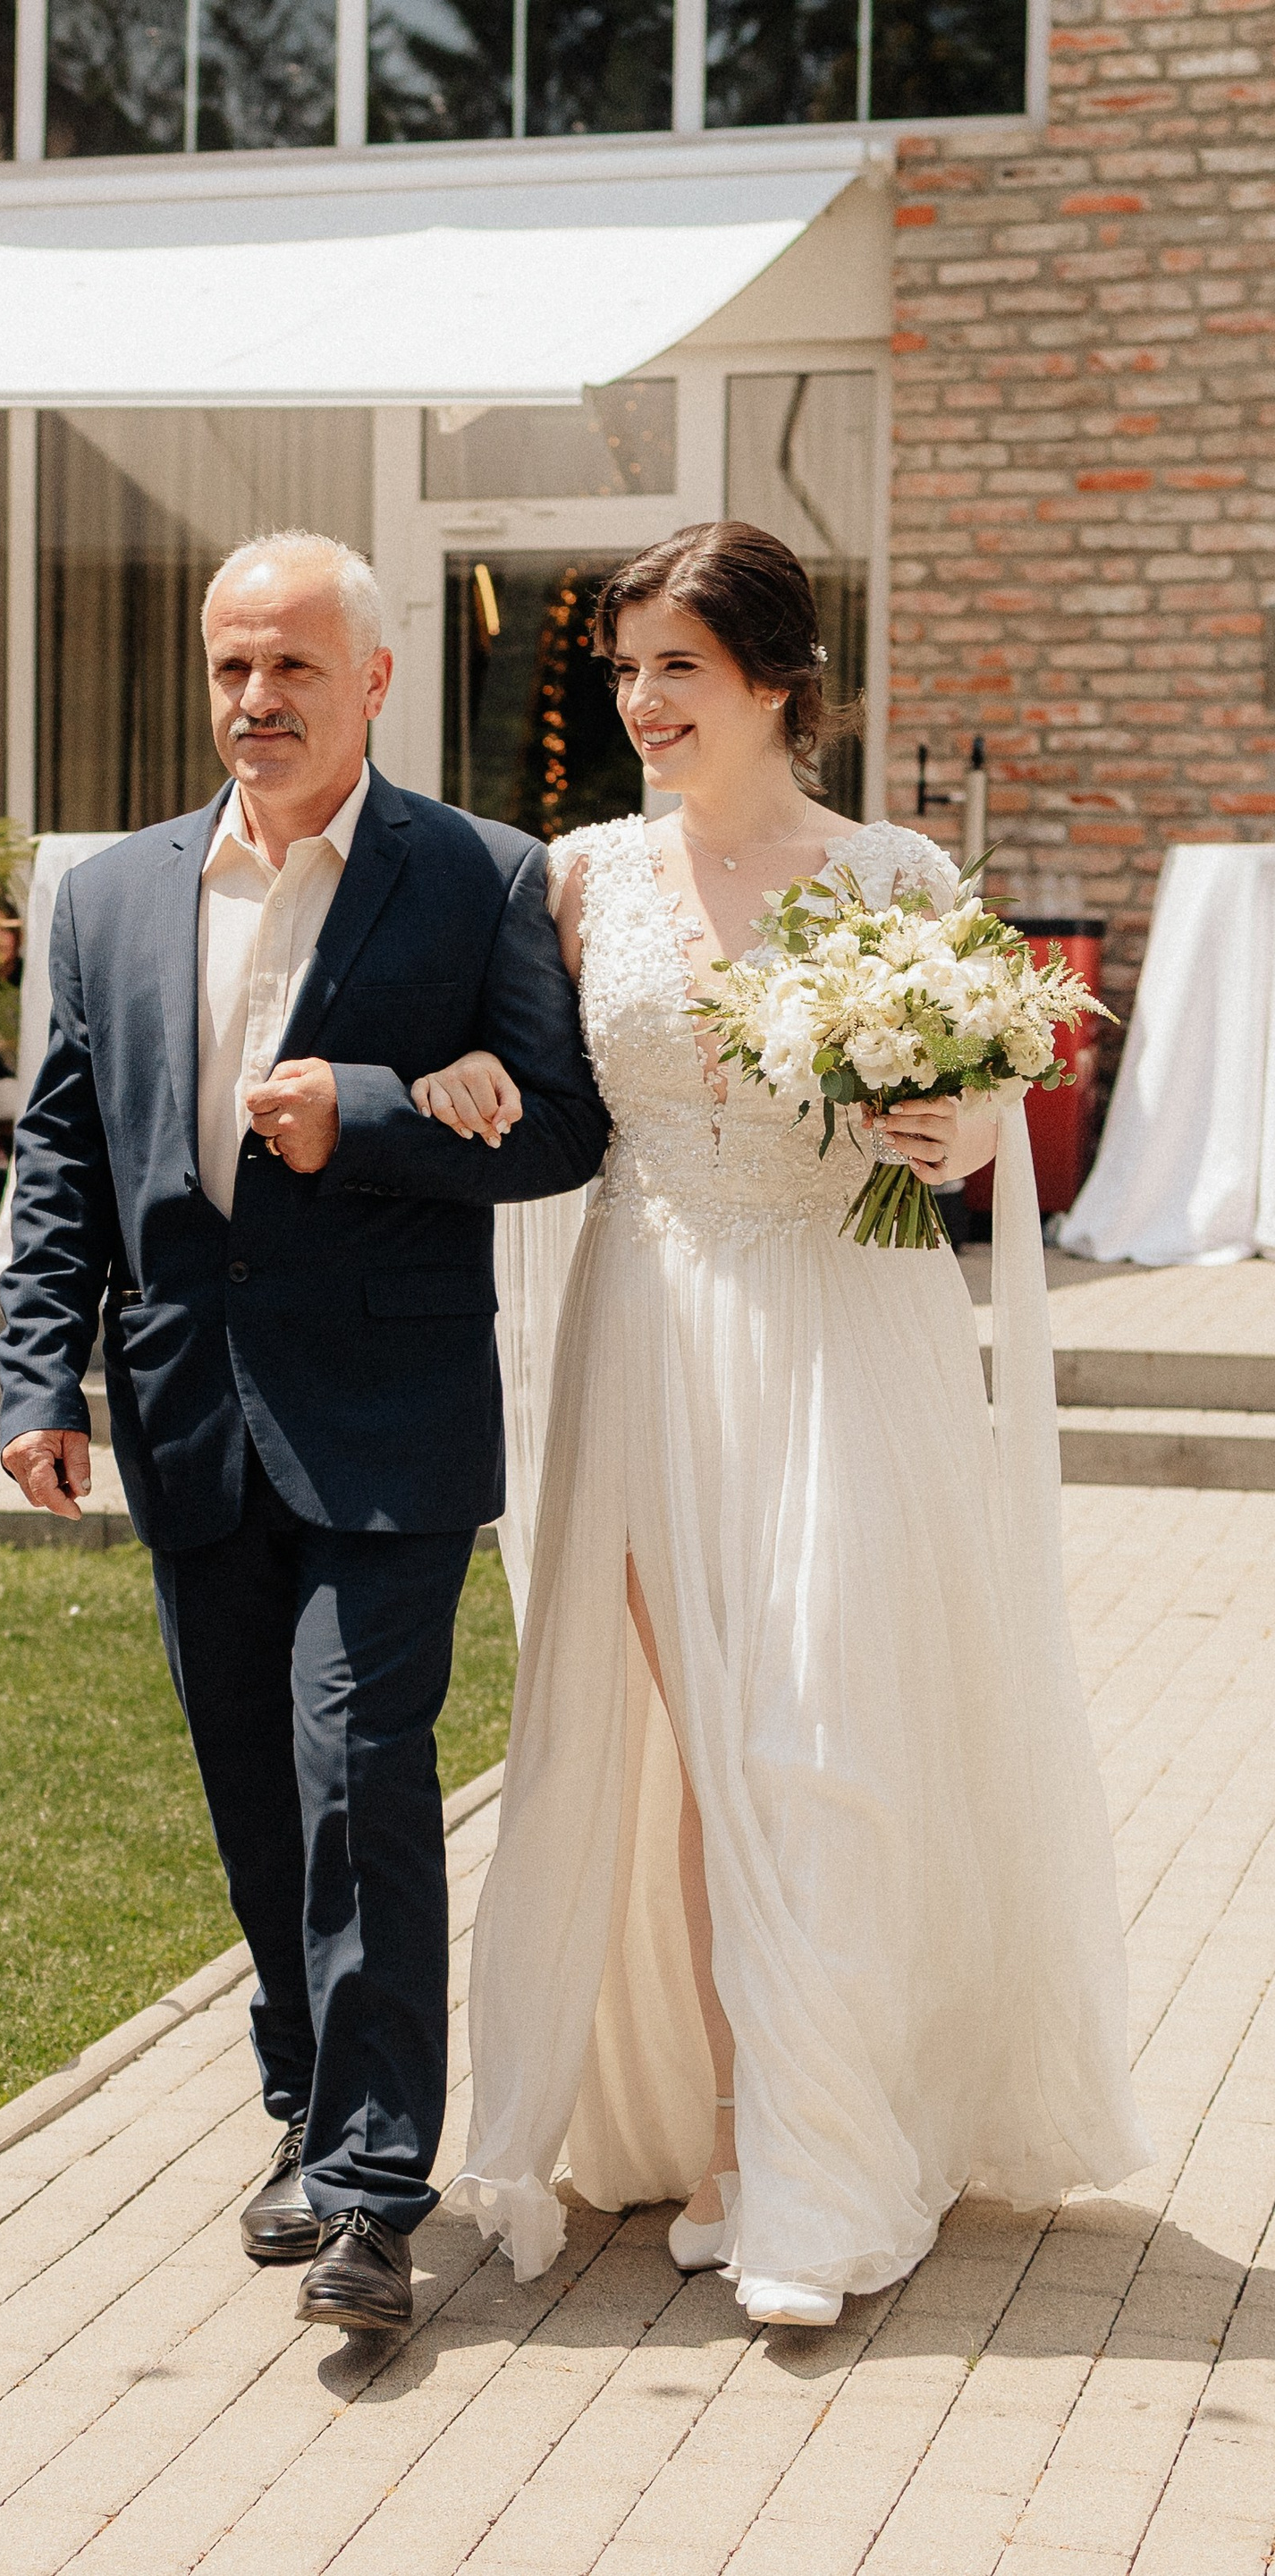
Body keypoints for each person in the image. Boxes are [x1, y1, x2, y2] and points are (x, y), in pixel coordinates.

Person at [420, 522, 1149, 2330]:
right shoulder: (582, 880)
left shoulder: (895, 873)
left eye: (676, 666)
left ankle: (824, 2171)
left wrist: (955, 1132)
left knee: (817, 1733)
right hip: (653, 1337)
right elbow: (541, 1098)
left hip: (847, 1333)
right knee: (709, 1752)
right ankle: (741, 2145)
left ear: (773, 680)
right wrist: (460, 1076)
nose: (640, 702)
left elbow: (990, 1099)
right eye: (626, 670)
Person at [0, 530, 608, 2334]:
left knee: (362, 1781)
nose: (254, 700)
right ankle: (303, 2107)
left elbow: (565, 1125)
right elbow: (63, 1154)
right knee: (257, 1798)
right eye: (230, 667)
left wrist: (371, 1114)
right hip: (185, 1407)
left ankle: (371, 2192)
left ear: (375, 681)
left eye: (291, 668)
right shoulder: (112, 895)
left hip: (389, 1415)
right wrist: (38, 1378)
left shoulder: (479, 876)